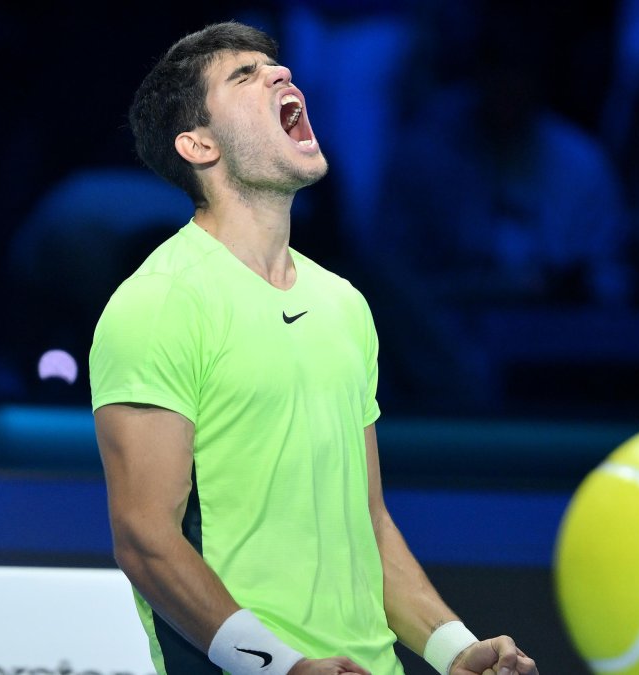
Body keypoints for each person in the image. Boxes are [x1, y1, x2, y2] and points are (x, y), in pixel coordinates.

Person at [89, 21, 539, 675]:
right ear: (198, 144)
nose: (280, 74)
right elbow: (145, 539)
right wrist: (281, 665)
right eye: (244, 76)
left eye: (274, 66)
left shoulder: (344, 304)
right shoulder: (158, 302)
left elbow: (368, 523)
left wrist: (454, 649)